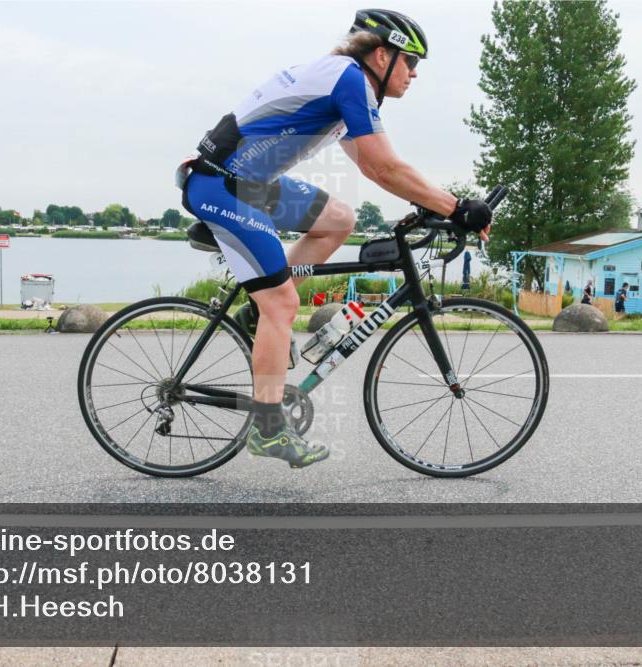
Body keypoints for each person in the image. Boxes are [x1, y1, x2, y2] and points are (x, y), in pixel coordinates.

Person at [177, 9, 493, 468]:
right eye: (410, 61)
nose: (415, 73)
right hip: (222, 185)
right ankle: (267, 428)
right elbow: (383, 166)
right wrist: (457, 206)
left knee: (338, 219)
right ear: (381, 55)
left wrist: (434, 202)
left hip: (243, 183)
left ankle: (254, 312)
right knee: (282, 303)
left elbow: (373, 163)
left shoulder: (344, 82)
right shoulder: (349, 79)